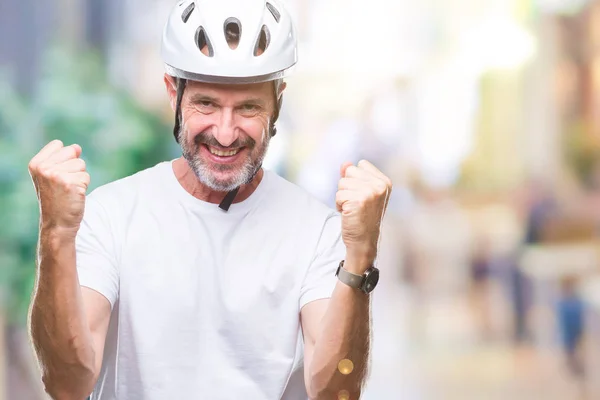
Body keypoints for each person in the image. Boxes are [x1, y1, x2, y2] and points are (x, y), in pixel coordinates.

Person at [26, 1, 392, 399]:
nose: (225, 132)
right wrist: (56, 235)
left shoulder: (316, 231)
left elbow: (337, 389)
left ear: (277, 103)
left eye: (248, 107)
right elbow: (67, 382)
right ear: (173, 93)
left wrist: (360, 255)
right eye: (206, 103)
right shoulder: (111, 215)